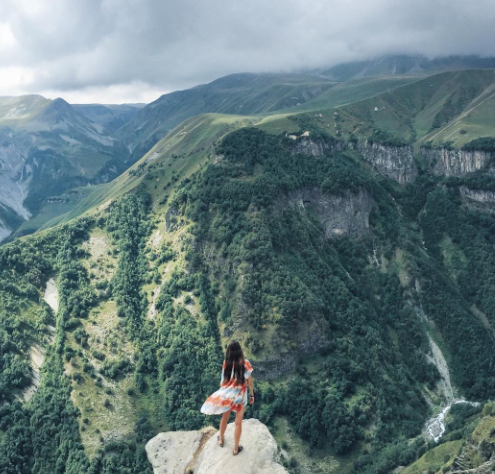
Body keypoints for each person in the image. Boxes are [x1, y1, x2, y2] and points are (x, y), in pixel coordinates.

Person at [201, 340, 254, 455]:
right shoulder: (245, 363)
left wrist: (223, 394)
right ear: (240, 351)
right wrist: (252, 395)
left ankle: (220, 439)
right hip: (240, 397)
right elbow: (249, 382)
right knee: (238, 422)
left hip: (228, 397)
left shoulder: (226, 363)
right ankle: (235, 449)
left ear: (229, 352)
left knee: (225, 417)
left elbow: (222, 382)